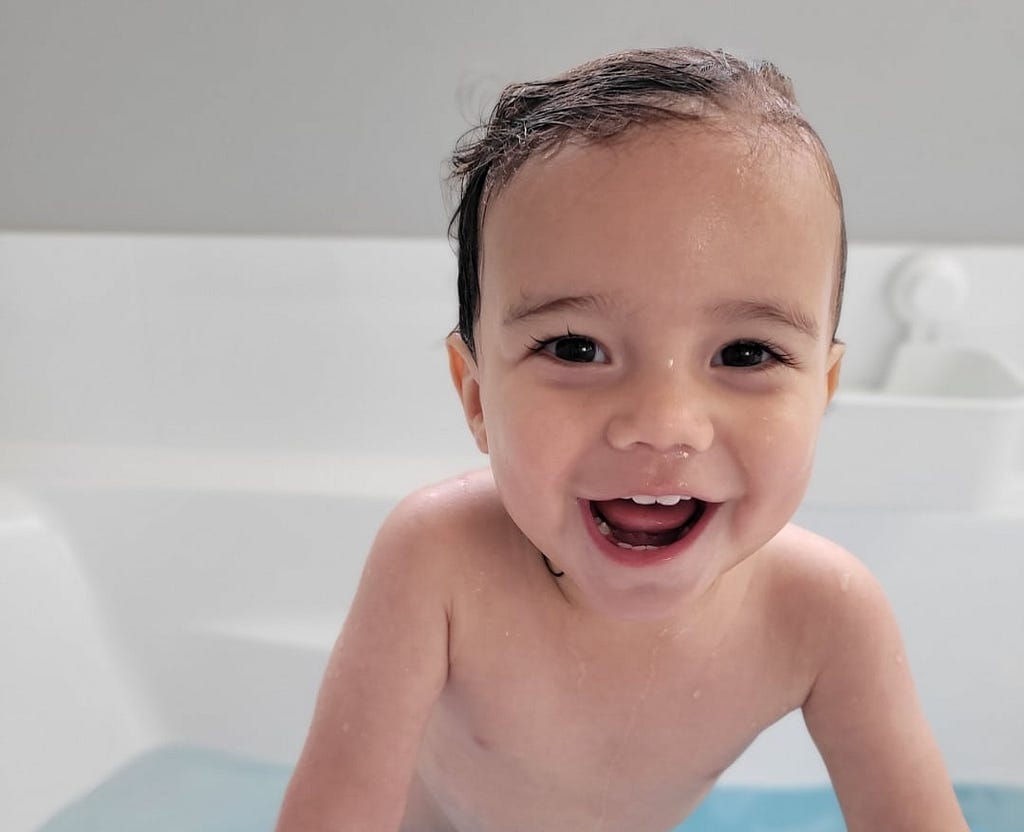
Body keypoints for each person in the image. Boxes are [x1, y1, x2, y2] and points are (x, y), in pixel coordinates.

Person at [275, 47, 968, 832]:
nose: (664, 423)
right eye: (575, 348)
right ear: (475, 394)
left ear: (823, 394)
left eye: (746, 353)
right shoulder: (437, 563)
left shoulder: (827, 615)